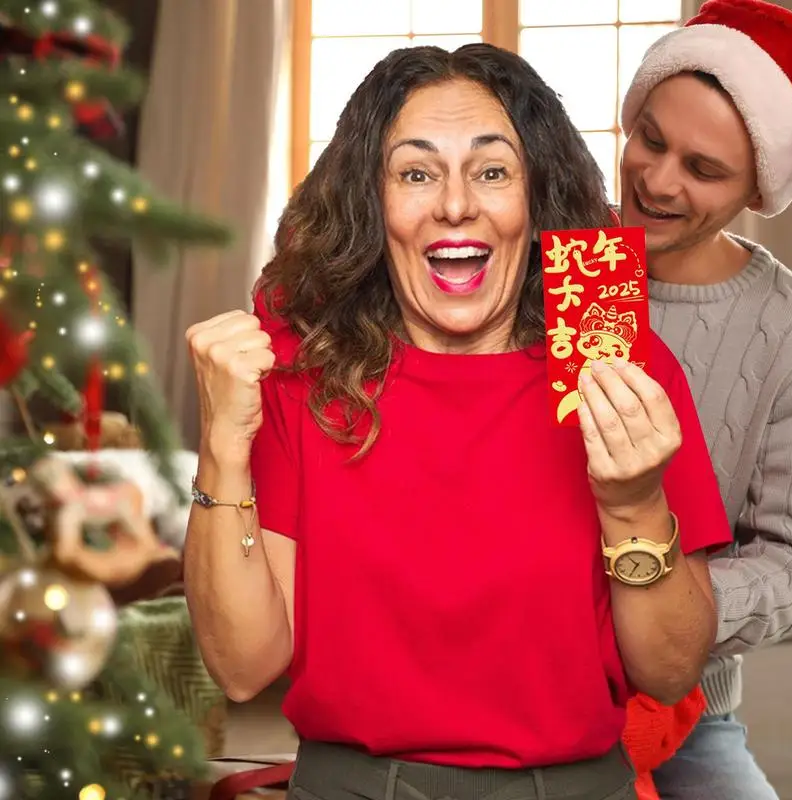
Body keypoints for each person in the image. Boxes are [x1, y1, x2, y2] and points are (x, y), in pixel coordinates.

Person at [184, 43, 732, 800]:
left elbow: (669, 673)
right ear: (371, 204)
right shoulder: (303, 368)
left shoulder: (617, 361)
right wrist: (221, 448)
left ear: (536, 198)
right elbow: (242, 667)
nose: (454, 204)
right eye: (416, 172)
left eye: (492, 170)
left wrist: (633, 504)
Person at [618, 1, 792, 798]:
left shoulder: (787, 329)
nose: (656, 180)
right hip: (522, 684)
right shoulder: (547, 263)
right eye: (649, 139)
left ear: (757, 184)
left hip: (687, 712)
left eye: (703, 168)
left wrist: (661, 609)